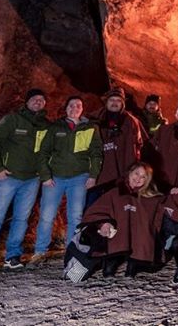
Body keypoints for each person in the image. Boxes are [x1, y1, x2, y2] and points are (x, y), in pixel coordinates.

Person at [0, 89, 51, 274]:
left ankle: (12, 257)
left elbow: (46, 152)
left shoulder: (46, 126)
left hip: (31, 180)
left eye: (42, 100)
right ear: (27, 102)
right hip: (7, 179)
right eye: (34, 99)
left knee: (21, 219)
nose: (38, 102)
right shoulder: (13, 120)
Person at [33, 96, 103, 264]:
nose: (75, 108)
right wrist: (45, 176)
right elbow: (43, 152)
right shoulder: (55, 127)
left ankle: (72, 251)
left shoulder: (91, 128)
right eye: (71, 105)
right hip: (54, 178)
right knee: (47, 216)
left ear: (82, 108)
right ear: (66, 108)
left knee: (75, 216)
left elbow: (96, 153)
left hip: (79, 177)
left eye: (78, 105)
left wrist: (93, 175)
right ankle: (40, 251)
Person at [79, 161, 164, 277]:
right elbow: (97, 210)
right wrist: (104, 223)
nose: (138, 178)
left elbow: (164, 207)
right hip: (115, 237)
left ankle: (132, 265)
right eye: (136, 173)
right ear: (129, 173)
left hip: (136, 241)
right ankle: (108, 263)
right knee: (102, 268)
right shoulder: (114, 192)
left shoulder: (149, 199)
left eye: (143, 177)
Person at [90, 88, 147, 207]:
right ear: (106, 102)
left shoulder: (132, 122)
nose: (115, 103)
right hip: (99, 176)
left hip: (122, 175)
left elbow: (143, 146)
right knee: (95, 208)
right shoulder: (93, 119)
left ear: (123, 104)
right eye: (112, 100)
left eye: (118, 100)